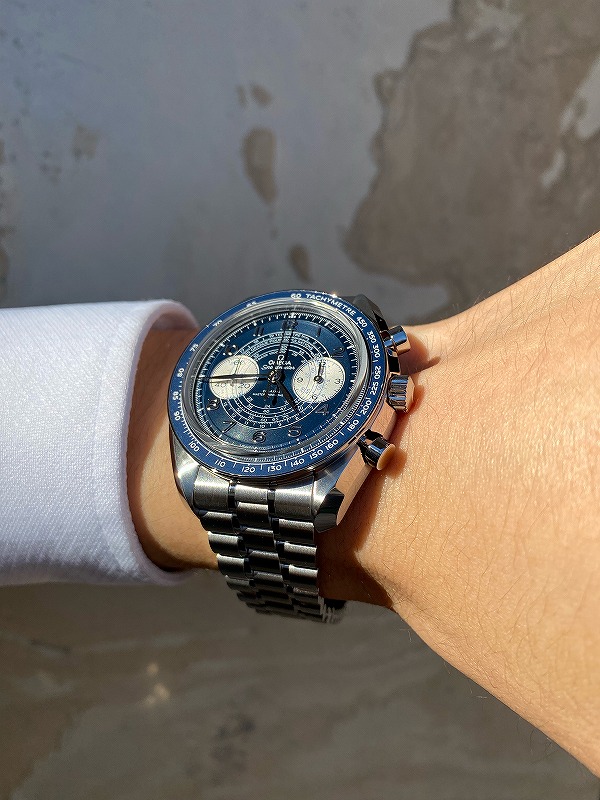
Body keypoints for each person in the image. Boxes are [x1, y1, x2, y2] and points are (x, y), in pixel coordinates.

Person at [1, 233, 598, 774]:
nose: (274, 376)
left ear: (393, 395)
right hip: (219, 442)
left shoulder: (338, 460)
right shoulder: (196, 463)